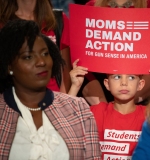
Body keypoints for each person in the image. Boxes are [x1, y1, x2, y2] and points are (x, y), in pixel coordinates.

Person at [0, 19, 101, 159]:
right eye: (28, 57)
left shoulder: (78, 108)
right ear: (9, 66)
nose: (41, 62)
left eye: (45, 54)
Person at [83, 0, 150, 105]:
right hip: (98, 93)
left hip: (140, 91)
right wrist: (104, 109)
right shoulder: (91, 6)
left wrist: (126, 104)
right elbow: (84, 66)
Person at [0, 0, 72, 93]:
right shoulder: (3, 24)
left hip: (55, 97)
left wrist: (61, 102)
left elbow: (65, 68)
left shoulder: (59, 19)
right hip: (16, 98)